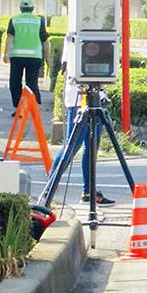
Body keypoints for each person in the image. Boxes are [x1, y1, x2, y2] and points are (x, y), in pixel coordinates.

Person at [50, 37, 114, 205]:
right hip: (78, 99)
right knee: (73, 145)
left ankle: (89, 191)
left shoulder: (96, 34)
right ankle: (51, 184)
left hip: (95, 96)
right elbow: (69, 68)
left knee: (92, 146)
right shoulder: (73, 35)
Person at [4, 0, 48, 111]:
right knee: (32, 82)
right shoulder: (39, 21)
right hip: (34, 57)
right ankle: (33, 105)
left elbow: (10, 37)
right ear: (33, 8)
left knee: (14, 82)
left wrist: (6, 54)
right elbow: (45, 41)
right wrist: (48, 58)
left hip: (17, 57)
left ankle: (19, 108)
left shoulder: (14, 20)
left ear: (20, 8)